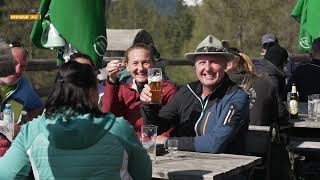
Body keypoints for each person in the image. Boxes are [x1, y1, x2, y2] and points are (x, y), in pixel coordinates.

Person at [0, 60, 151, 179]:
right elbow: (143, 175)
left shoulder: (31, 131)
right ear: (93, 93)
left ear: (57, 91)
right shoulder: (119, 128)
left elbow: (7, 175)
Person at [140, 35, 249, 154]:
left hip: (227, 169)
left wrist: (168, 142)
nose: (207, 68)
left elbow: (215, 144)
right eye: (202, 62)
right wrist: (148, 106)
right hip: (183, 163)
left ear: (225, 65)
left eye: (214, 62)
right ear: (195, 66)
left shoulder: (236, 96)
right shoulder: (187, 91)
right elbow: (158, 127)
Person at [102, 43, 176, 138]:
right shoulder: (123, 90)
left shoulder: (167, 90)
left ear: (153, 64)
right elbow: (108, 116)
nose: (140, 68)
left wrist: (163, 139)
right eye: (135, 63)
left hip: (156, 147)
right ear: (127, 66)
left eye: (145, 62)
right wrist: (111, 81)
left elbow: (175, 123)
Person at [0, 42, 44, 156]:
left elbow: (38, 106)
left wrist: (26, 125)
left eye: (23, 66)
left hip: (10, 151)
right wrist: (5, 126)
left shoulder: (24, 84)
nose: (18, 70)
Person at [226, 49, 279, 125]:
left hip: (228, 135)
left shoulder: (218, 83)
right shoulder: (266, 82)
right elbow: (279, 114)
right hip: (260, 134)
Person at [288, 37, 320, 102]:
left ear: (312, 51)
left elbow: (288, 93)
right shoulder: (300, 70)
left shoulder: (300, 71)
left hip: (303, 110)